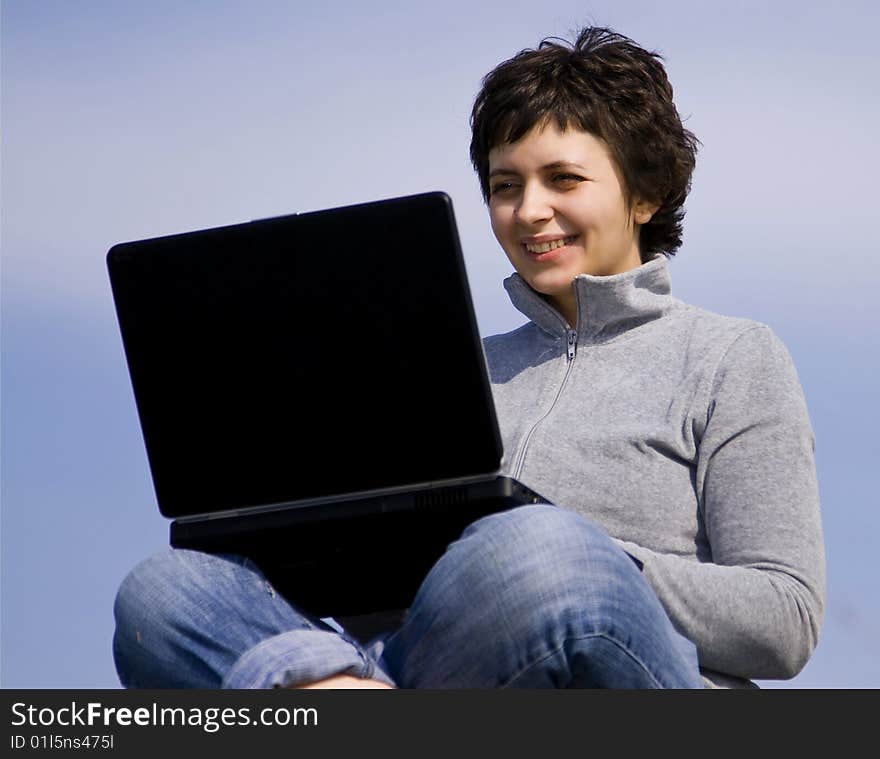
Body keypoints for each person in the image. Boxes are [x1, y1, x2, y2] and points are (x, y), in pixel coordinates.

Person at [113, 27, 825, 689]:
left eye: (563, 180)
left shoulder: (732, 356)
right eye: (505, 186)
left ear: (645, 194)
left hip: (618, 673)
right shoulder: (449, 373)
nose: (529, 211)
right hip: (433, 666)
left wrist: (600, 556)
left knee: (539, 547)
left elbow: (785, 619)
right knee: (165, 590)